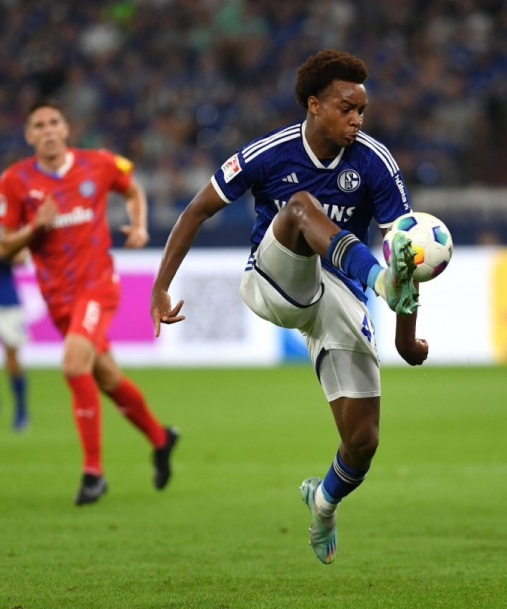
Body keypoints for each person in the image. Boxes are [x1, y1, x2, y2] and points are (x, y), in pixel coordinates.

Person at [151, 49, 426, 564]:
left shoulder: (375, 162)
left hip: (337, 294)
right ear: (314, 104)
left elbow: (406, 251)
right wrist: (160, 286)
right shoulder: (269, 154)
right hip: (274, 280)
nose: (357, 120)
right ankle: (373, 279)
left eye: (362, 111)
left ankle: (323, 502)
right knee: (301, 207)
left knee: (363, 440)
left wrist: (406, 340)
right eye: (346, 108)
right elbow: (196, 211)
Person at [0, 100, 179, 506]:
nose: (48, 130)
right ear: (29, 135)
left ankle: (94, 473)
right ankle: (161, 438)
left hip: (97, 285)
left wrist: (139, 224)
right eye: (39, 125)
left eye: (54, 122)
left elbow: (132, 188)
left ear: (66, 128)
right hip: (58, 298)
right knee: (107, 378)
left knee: (74, 365)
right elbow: (4, 245)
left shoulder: (98, 163)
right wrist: (33, 228)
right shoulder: (14, 181)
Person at [0, 168, 29, 431]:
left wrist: (7, 252)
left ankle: (21, 408)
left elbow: (22, 258)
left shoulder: (2, 223)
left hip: (7, 299)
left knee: (12, 359)